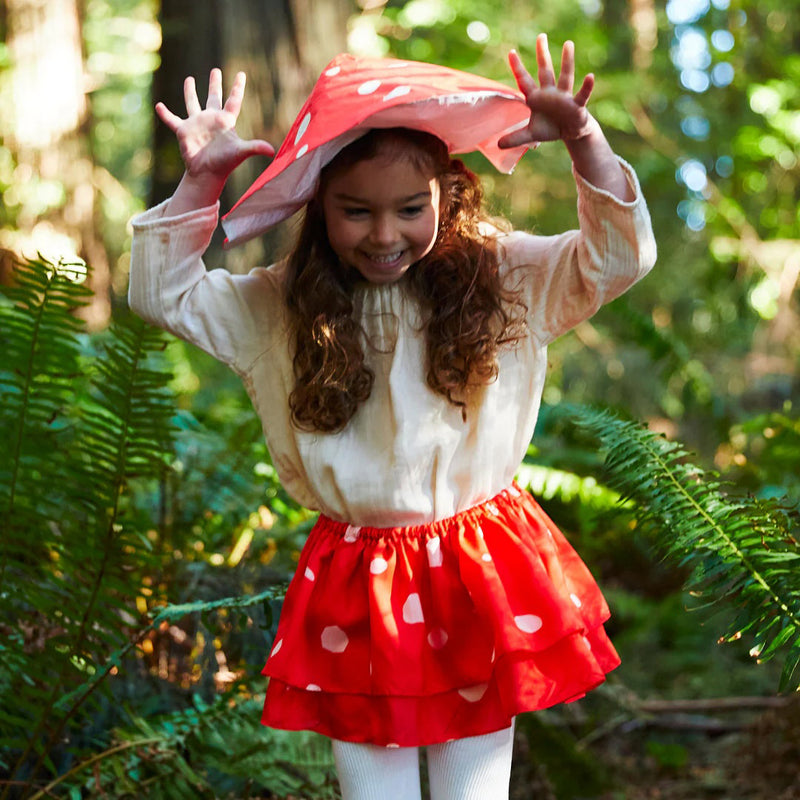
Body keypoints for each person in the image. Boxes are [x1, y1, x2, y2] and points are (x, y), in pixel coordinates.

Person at [129, 34, 656, 800]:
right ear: (318, 207)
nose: (384, 235)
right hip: (357, 576)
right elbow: (161, 294)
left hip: (482, 562)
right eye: (355, 211)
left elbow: (617, 258)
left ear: (448, 190)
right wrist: (200, 185)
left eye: (411, 208)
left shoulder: (507, 276)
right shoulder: (276, 306)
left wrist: (584, 140)